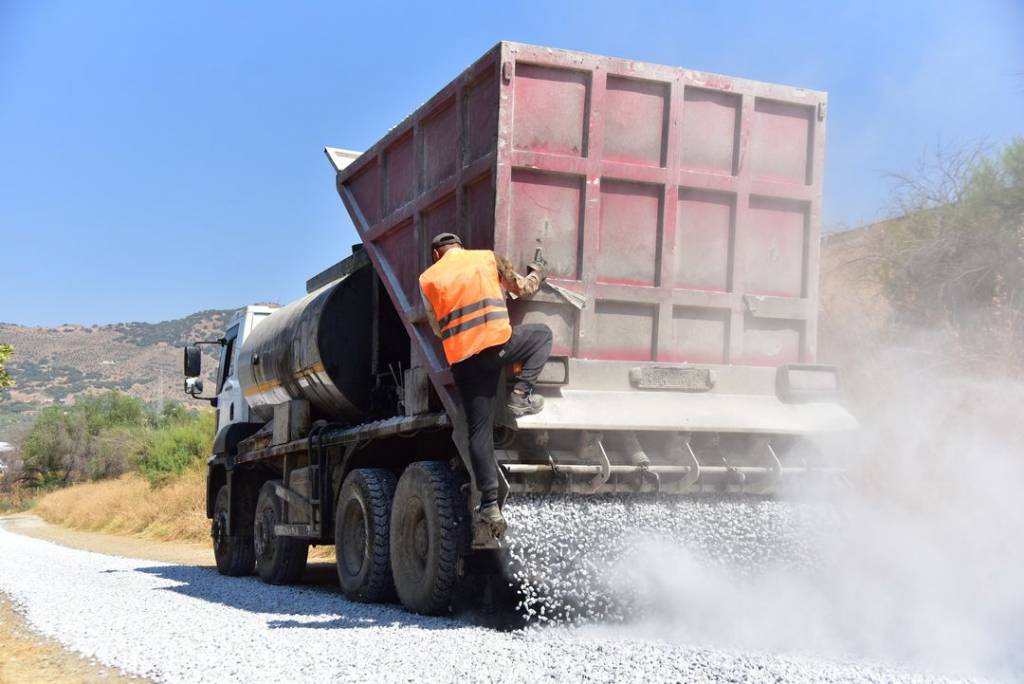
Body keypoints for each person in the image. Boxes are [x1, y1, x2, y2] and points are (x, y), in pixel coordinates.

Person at [419, 232, 552, 538]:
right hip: (497, 346)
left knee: (479, 432)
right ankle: (520, 394)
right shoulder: (486, 258)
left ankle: (490, 504)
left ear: (437, 255)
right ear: (460, 247)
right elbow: (522, 289)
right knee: (542, 335)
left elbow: (438, 327)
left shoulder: (427, 279)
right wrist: (538, 272)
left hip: (464, 362)